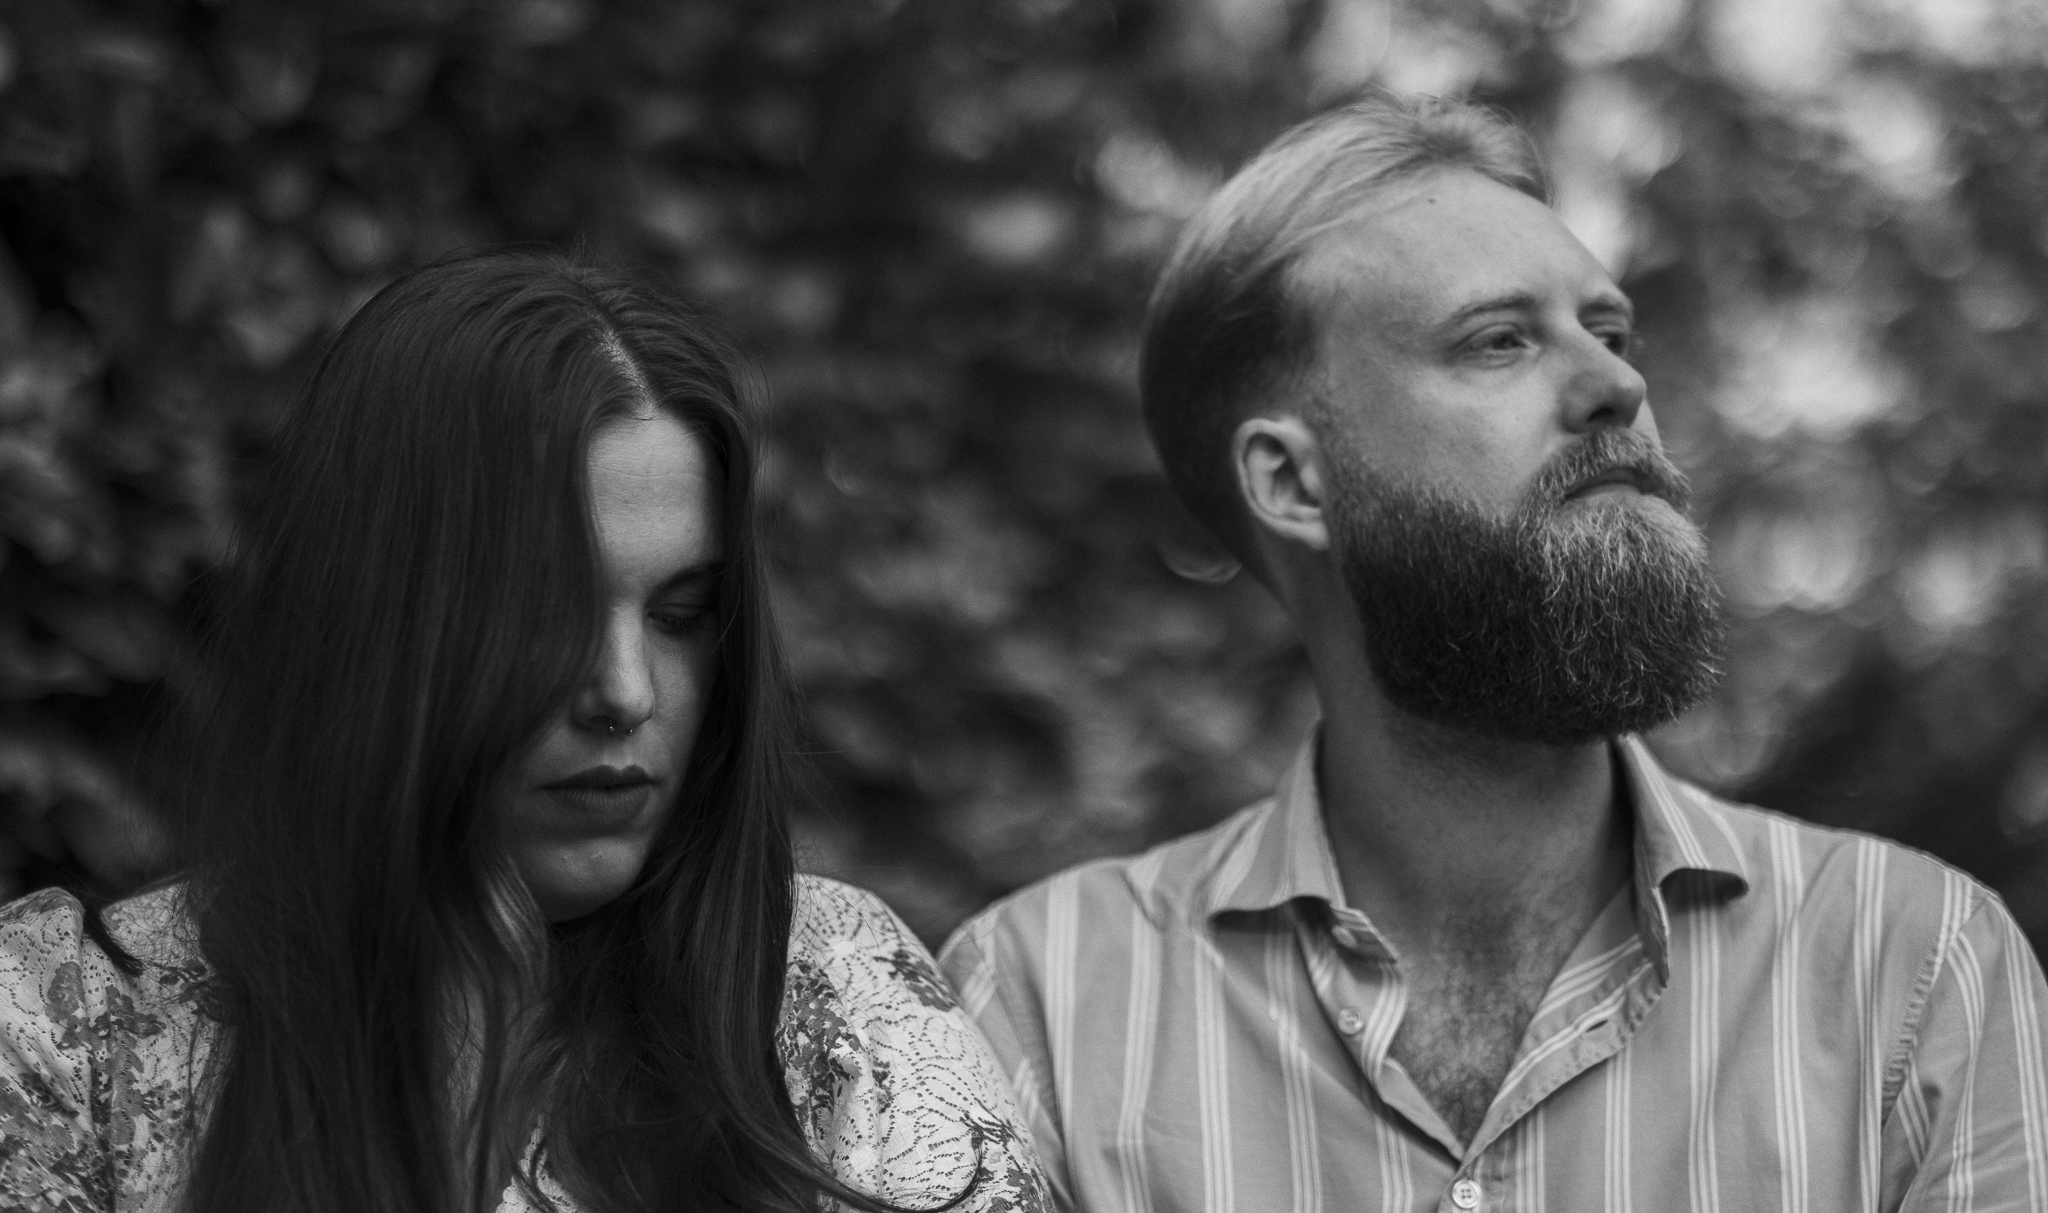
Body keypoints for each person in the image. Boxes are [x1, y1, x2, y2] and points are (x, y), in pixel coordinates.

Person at [938, 91, 2048, 1212]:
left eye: (1609, 333)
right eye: (1498, 341)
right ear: (1291, 482)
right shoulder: (1038, 1013)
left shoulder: (1910, 969)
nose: (1618, 385)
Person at [0, 252, 1050, 1213]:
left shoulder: (836, 996)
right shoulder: (66, 1035)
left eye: (683, 614)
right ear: (374, 615)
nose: (623, 692)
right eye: (544, 611)